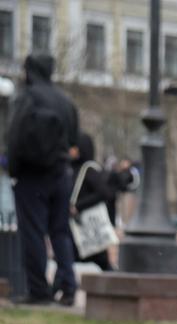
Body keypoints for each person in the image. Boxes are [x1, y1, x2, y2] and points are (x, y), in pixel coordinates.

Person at [6, 53, 80, 306]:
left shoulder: (26, 97)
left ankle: (39, 290)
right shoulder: (65, 101)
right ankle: (68, 287)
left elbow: (14, 136)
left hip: (31, 176)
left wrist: (13, 170)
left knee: (33, 233)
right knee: (61, 232)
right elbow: (74, 138)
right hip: (60, 173)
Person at [69, 132, 117, 271]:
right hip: (80, 228)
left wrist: (78, 206)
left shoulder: (88, 169)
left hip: (88, 226)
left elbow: (104, 193)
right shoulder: (73, 168)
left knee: (101, 261)